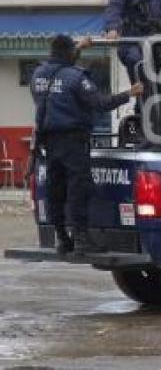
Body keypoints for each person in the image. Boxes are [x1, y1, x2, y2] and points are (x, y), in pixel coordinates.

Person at [30, 35, 143, 255]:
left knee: (56, 189)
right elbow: (100, 103)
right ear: (69, 53)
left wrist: (77, 48)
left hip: (48, 141)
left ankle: (62, 238)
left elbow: (62, 68)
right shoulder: (76, 77)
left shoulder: (38, 74)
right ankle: (82, 240)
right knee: (78, 189)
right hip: (73, 141)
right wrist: (129, 93)